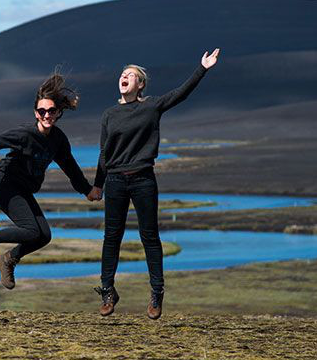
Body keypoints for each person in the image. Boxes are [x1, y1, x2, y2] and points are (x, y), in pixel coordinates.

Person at [89, 49, 220, 319]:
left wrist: (202, 68)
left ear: (140, 85)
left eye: (131, 75)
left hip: (143, 179)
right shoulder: (109, 114)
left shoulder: (152, 106)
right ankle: (107, 290)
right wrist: (98, 185)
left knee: (149, 236)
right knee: (111, 238)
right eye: (123, 74)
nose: (124, 77)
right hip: (114, 180)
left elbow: (181, 93)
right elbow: (104, 153)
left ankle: (157, 292)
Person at [0, 73, 99, 289]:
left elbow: (71, 168)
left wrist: (87, 190)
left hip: (23, 189)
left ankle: (7, 259)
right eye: (42, 111)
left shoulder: (58, 140)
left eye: (51, 111)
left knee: (44, 235)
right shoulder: (25, 134)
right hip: (6, 186)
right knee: (31, 230)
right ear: (36, 113)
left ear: (58, 112)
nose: (47, 115)